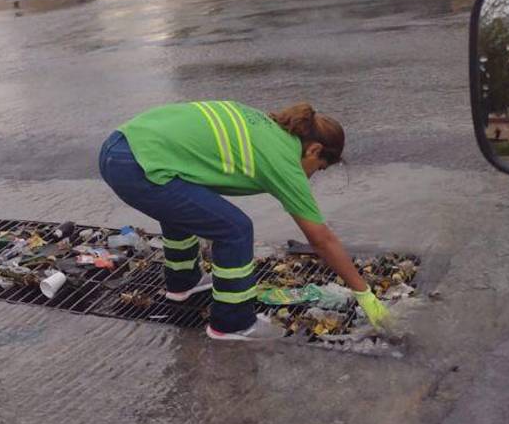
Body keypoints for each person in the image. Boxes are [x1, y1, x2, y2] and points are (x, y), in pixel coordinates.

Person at [98, 101, 391, 340]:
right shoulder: (284, 159)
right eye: (319, 168)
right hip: (135, 165)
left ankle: (183, 284)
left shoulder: (267, 127)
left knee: (184, 205)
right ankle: (232, 324)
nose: (312, 176)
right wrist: (365, 294)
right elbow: (321, 239)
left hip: (120, 146)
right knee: (236, 230)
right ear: (313, 149)